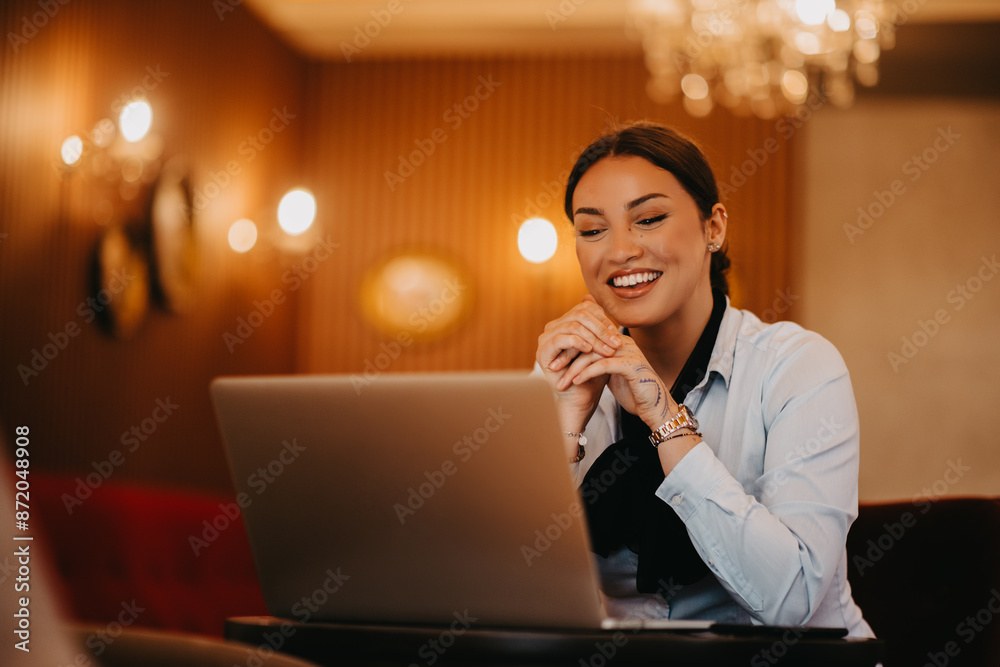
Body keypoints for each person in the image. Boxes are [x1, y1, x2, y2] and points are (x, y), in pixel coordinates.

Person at [534, 121, 874, 637]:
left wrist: (663, 417)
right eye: (593, 229)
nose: (620, 250)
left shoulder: (798, 366)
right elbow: (503, 586)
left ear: (714, 228)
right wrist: (563, 425)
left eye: (648, 219)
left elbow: (792, 601)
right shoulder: (560, 373)